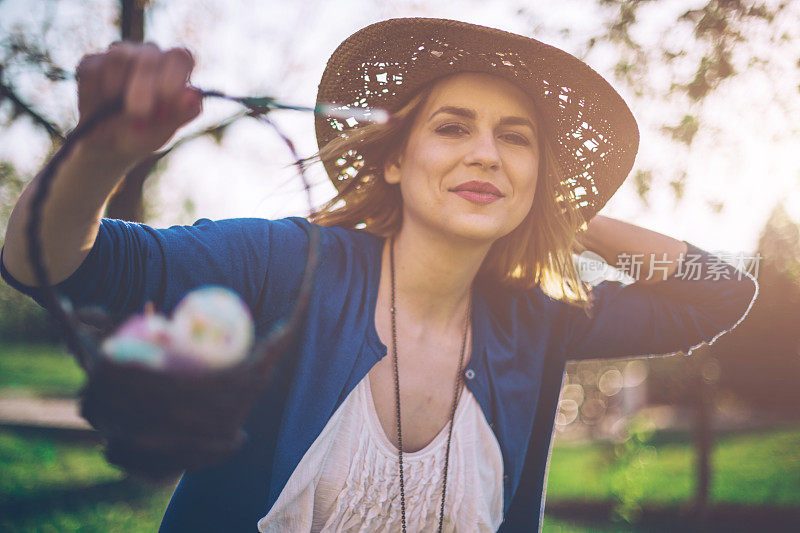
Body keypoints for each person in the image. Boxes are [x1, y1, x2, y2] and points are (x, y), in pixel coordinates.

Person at [0, 17, 757, 533]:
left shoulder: (538, 317)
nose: (486, 153)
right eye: (453, 128)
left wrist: (560, 209)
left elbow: (718, 292)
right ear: (395, 159)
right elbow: (57, 264)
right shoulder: (288, 265)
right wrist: (97, 157)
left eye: (515, 139)